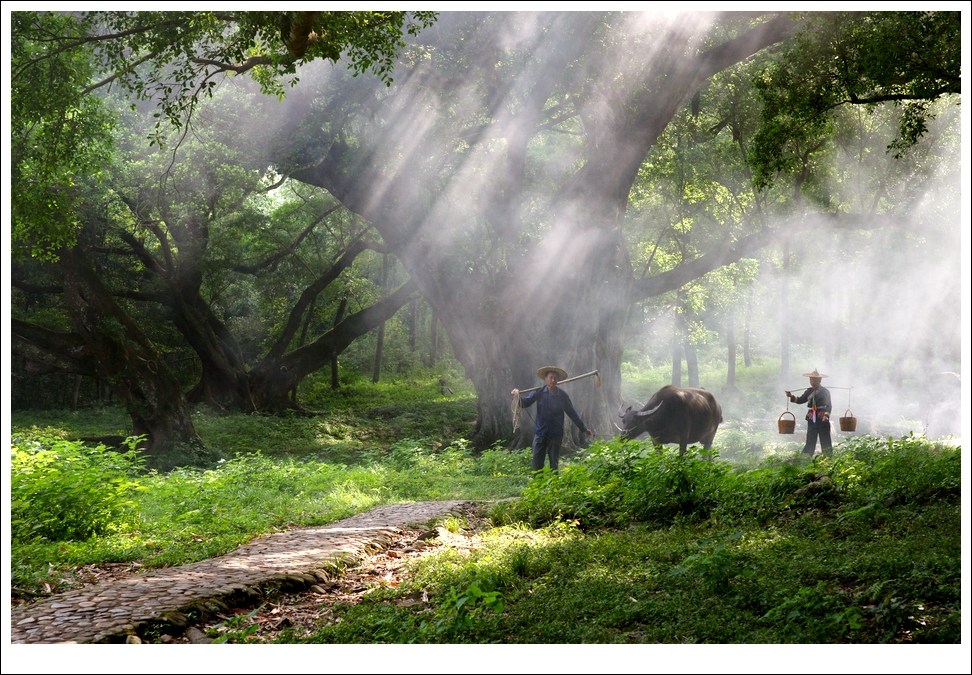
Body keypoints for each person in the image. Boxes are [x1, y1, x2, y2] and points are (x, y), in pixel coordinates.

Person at [512, 365, 594, 471]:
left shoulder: (562, 396)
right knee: (537, 463)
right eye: (551, 377)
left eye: (555, 378)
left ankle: (553, 485)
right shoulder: (539, 392)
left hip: (555, 435)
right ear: (545, 379)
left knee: (554, 464)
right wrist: (517, 396)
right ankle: (537, 484)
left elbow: (572, 413)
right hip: (540, 433)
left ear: (558, 380)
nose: (553, 380)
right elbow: (525, 402)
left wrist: (583, 429)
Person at [785, 369, 833, 456]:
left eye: (815, 380)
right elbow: (800, 400)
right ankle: (805, 458)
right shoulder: (808, 391)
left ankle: (829, 459)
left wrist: (826, 415)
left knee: (825, 440)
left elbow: (829, 405)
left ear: (819, 380)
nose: (812, 381)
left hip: (822, 418)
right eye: (811, 379)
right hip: (811, 418)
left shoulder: (825, 392)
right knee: (810, 439)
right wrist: (791, 396)